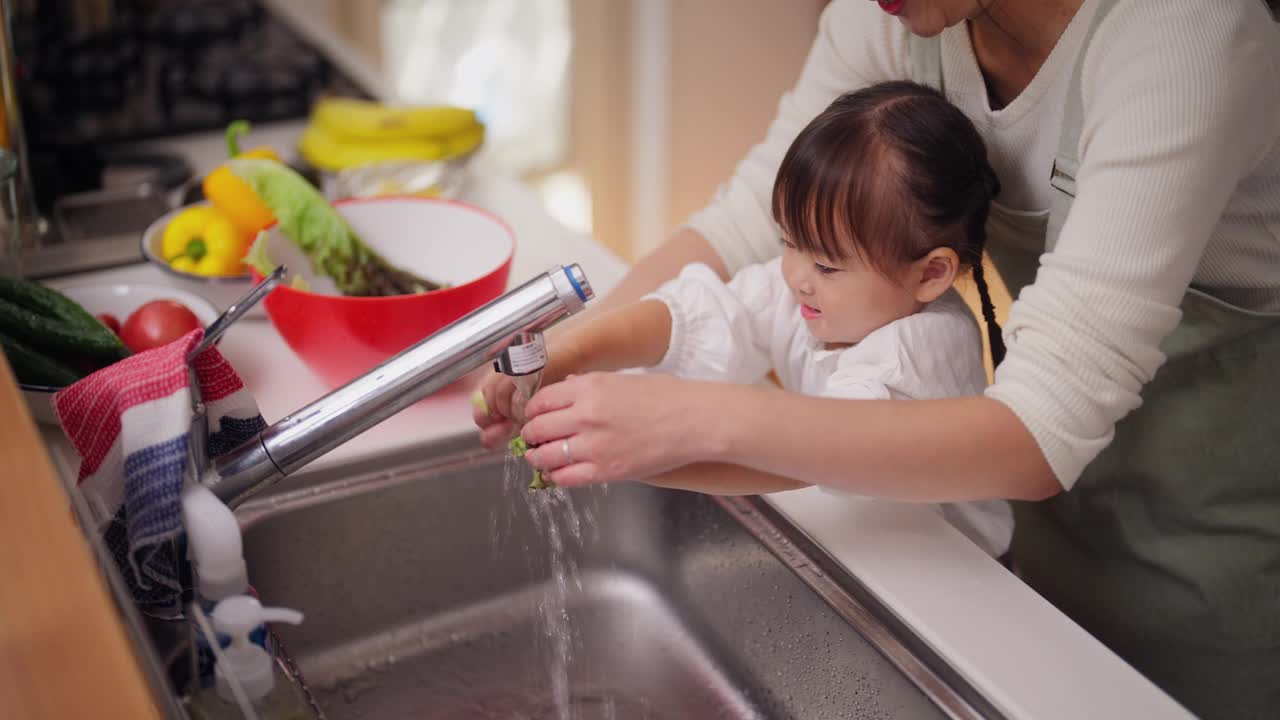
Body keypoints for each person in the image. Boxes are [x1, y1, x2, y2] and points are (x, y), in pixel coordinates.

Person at [481, 1, 1280, 716]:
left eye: (821, 261)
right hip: (1006, 523)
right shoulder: (898, 16)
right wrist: (569, 354)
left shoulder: (1184, 39)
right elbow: (741, 235)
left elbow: (1044, 427)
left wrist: (691, 420)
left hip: (1195, 558)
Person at [477, 81, 1015, 557]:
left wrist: (633, 457)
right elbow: (693, 314)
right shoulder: (816, 293)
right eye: (788, 241)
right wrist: (564, 354)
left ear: (930, 275)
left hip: (958, 584)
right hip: (878, 549)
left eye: (826, 263)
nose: (796, 274)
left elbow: (797, 461)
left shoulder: (918, 352)